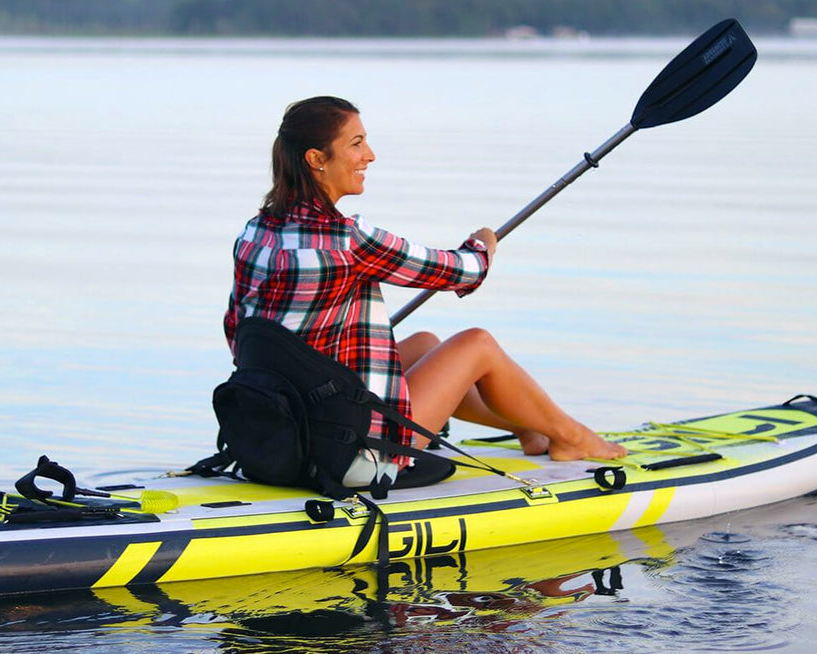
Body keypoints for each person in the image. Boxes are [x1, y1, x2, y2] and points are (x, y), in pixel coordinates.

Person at [223, 96, 626, 487]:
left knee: (425, 344)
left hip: (283, 429)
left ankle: (529, 428)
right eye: (357, 143)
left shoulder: (255, 232)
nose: (370, 155)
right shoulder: (348, 241)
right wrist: (483, 243)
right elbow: (463, 272)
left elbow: (239, 335)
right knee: (477, 345)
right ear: (316, 159)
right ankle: (572, 438)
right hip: (348, 453)